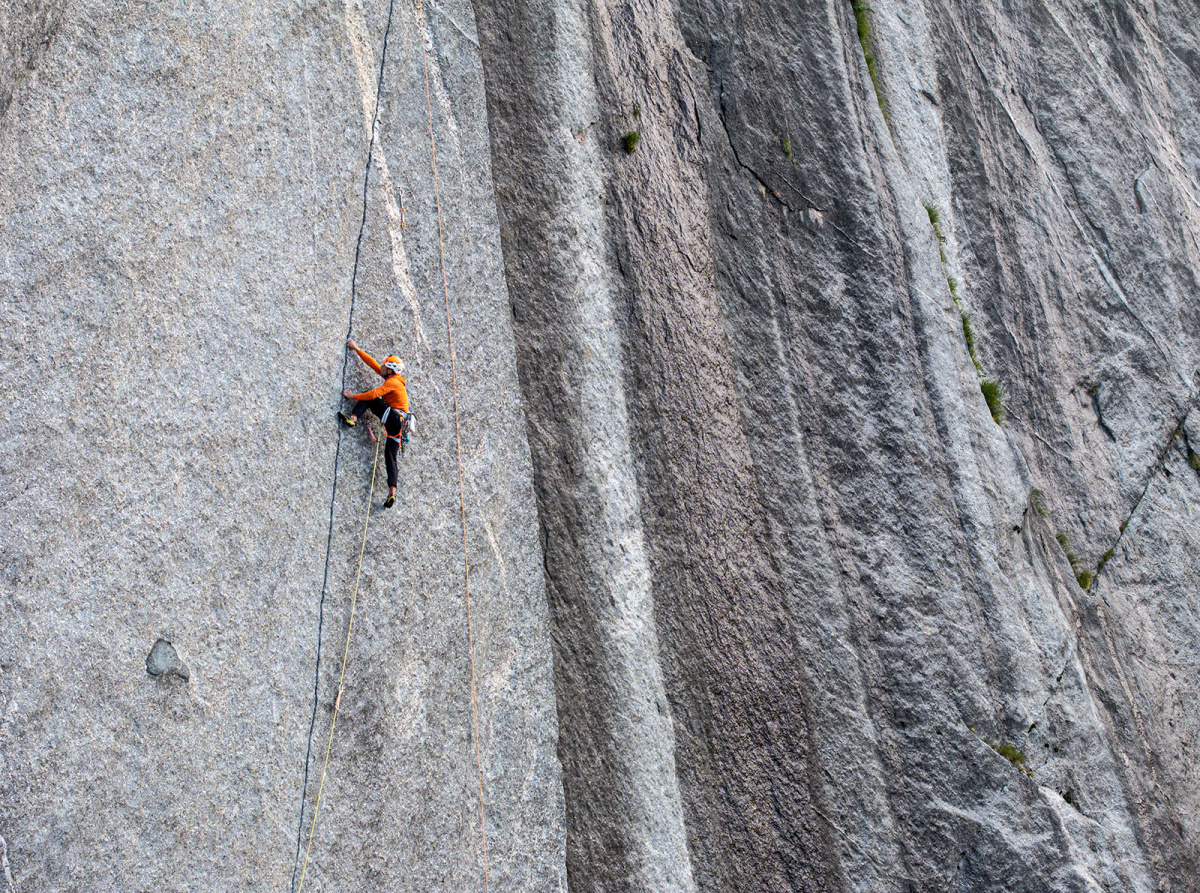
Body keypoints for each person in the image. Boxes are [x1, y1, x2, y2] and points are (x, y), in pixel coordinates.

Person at [338, 338, 410, 508]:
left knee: (370, 397)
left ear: (391, 370)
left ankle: (353, 419)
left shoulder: (392, 382)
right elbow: (373, 364)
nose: (382, 367)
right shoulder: (394, 379)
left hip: (394, 417)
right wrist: (357, 349)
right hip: (399, 425)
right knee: (390, 457)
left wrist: (353, 396)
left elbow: (374, 393)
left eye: (385, 366)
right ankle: (392, 492)